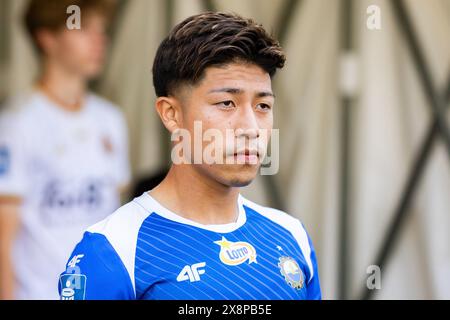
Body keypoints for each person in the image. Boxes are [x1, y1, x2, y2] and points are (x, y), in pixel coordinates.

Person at [58, 11, 321, 300]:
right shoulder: (112, 249)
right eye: (226, 103)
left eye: (263, 106)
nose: (250, 127)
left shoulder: (290, 235)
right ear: (171, 114)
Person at [0, 0, 131, 300]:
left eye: (102, 30)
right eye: (84, 28)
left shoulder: (111, 119)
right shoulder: (17, 123)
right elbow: (3, 239)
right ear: (47, 38)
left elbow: (116, 221)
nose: (100, 39)